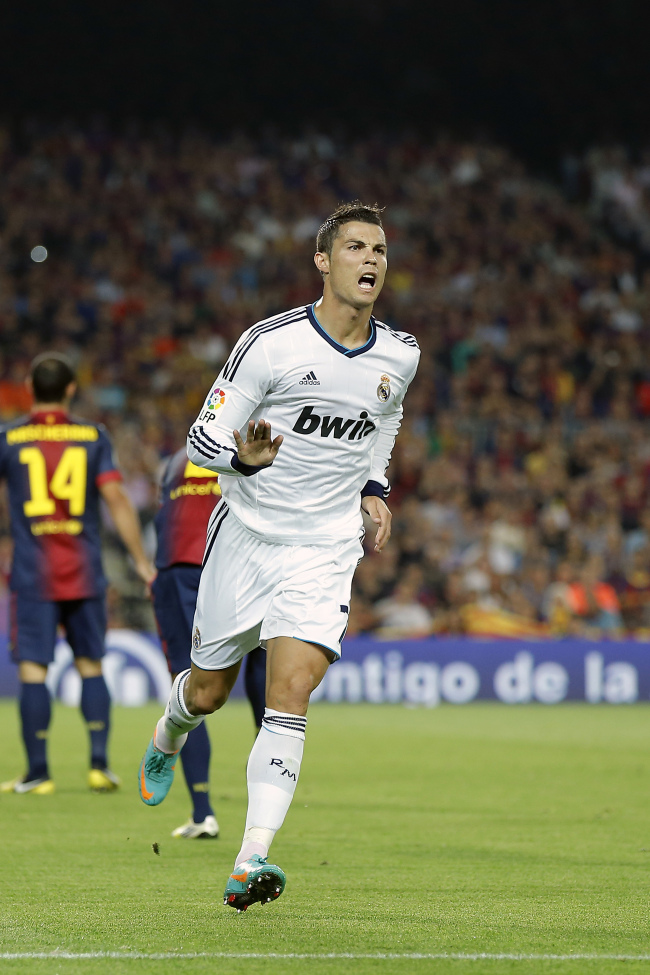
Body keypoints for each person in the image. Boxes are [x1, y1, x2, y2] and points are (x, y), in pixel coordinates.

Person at [138, 201, 419, 910]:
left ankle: (250, 857)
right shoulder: (271, 343)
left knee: (289, 692)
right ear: (323, 261)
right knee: (207, 692)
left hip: (324, 547)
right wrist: (244, 455)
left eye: (379, 249)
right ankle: (169, 731)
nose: (371, 260)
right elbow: (202, 437)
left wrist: (375, 488)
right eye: (355, 247)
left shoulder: (400, 354)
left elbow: (383, 427)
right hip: (248, 535)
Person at [0, 353, 156, 795]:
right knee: (90, 664)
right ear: (71, 390)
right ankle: (99, 766)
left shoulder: (9, 438)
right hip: (84, 572)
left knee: (33, 670)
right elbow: (118, 500)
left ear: (30, 387)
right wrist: (141, 563)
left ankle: (37, 773)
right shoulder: (92, 437)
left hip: (33, 574)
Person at [152, 447, 267, 838]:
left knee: (190, 685)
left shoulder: (177, 459)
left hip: (184, 567)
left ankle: (202, 813)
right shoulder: (266, 443)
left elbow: (162, 519)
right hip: (249, 563)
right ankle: (266, 804)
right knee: (264, 674)